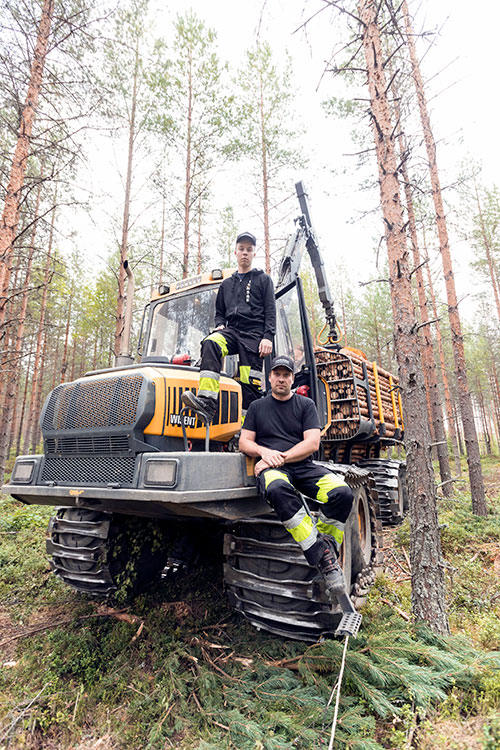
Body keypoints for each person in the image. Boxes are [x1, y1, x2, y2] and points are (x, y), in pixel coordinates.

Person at [239, 355, 354, 599]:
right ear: (270, 378)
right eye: (277, 374)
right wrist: (263, 452)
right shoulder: (258, 407)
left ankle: (329, 547)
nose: (281, 379)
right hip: (274, 469)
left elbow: (312, 443)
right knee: (277, 489)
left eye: (286, 375)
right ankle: (320, 554)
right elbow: (244, 441)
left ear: (292, 378)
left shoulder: (305, 405)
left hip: (301, 467)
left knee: (342, 492)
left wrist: (280, 456)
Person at [182, 232, 276, 422]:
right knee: (211, 343)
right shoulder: (226, 284)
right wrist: (219, 325)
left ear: (254, 253)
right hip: (232, 331)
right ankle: (207, 402)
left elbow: (270, 311)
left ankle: (248, 428)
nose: (245, 253)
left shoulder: (263, 280)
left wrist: (268, 336)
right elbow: (219, 312)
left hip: (254, 336)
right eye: (241, 249)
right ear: (235, 252)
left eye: (249, 250)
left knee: (248, 384)